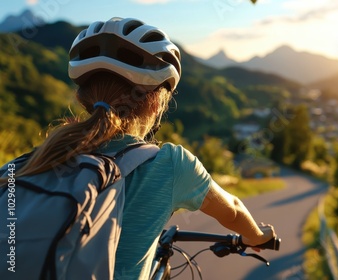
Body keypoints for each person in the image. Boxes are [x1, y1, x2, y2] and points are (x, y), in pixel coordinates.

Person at [14, 17, 276, 279]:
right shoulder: (171, 163)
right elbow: (233, 210)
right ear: (157, 103)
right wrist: (258, 236)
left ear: (82, 98)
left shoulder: (47, 155)